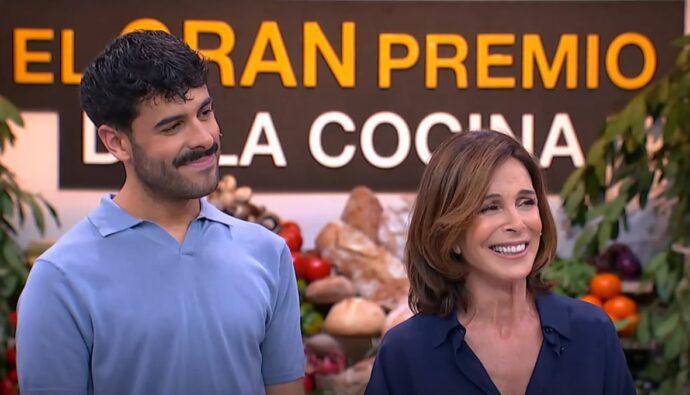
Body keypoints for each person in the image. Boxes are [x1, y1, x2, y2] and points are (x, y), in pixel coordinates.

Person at [16, 30, 305, 395]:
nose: (203, 137)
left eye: (205, 112)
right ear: (116, 142)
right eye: (173, 126)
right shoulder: (59, 279)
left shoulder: (268, 252)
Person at [364, 130, 635, 395]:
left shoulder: (592, 333)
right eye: (490, 207)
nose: (517, 224)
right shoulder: (405, 353)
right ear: (450, 233)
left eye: (526, 202)